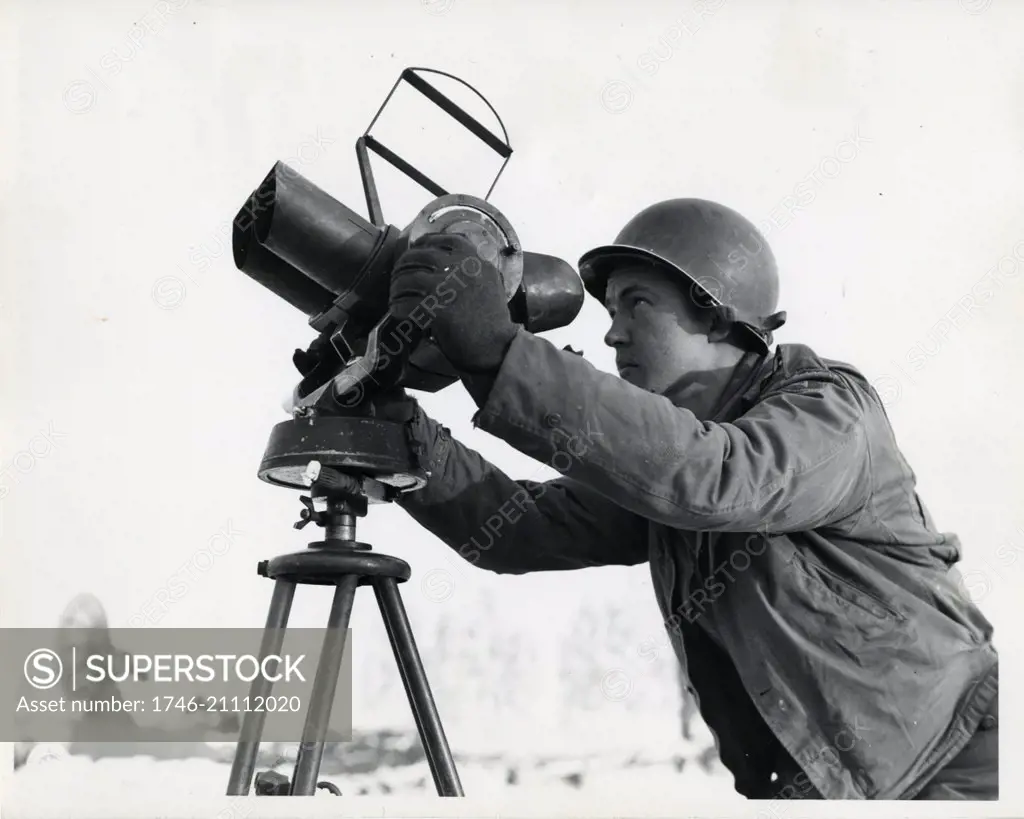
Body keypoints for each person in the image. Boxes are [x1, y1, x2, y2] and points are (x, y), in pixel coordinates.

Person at [382, 198, 998, 800]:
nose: (614, 333)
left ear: (718, 314)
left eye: (637, 304)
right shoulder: (674, 463)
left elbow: (714, 478)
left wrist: (498, 352)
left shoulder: (830, 413)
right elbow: (525, 528)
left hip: (951, 768)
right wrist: (405, 439)